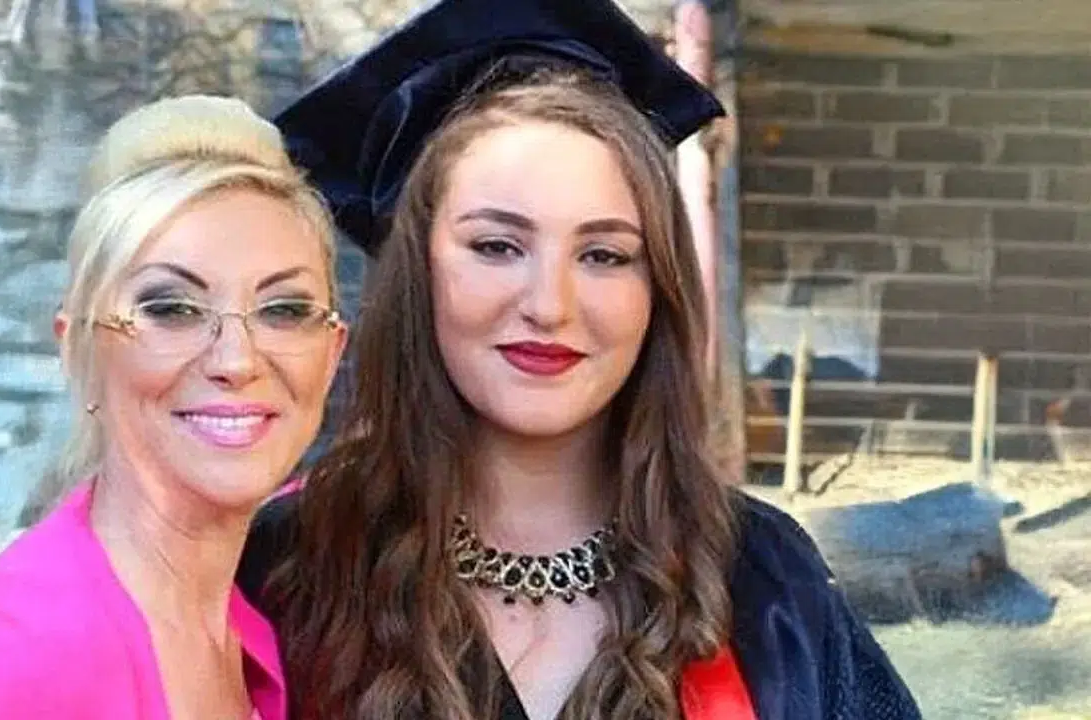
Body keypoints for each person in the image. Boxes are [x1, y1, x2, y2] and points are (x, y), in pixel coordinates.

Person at [236, 0, 923, 719]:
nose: (550, 305)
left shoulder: (763, 582)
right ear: (418, 274)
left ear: (656, 288)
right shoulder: (286, 572)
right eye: (496, 246)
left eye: (604, 255)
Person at [0, 94, 348, 720]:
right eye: (171, 308)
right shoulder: (37, 644)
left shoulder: (235, 611)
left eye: (283, 310)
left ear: (333, 352)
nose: (237, 359)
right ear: (79, 347)